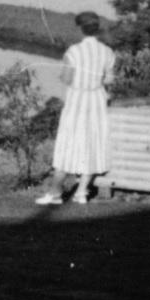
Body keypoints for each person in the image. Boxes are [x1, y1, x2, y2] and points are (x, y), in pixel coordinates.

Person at [35, 11, 116, 205]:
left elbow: (67, 78)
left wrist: (63, 76)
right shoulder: (107, 52)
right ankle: (81, 192)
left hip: (77, 101)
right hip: (96, 101)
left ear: (80, 29)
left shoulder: (73, 52)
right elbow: (110, 80)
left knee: (67, 147)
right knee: (90, 144)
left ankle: (55, 194)